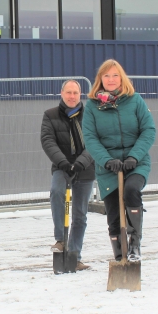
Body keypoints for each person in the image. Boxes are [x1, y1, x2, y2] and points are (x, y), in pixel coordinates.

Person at [82, 59, 156, 262]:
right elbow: (90, 138)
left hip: (135, 162)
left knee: (132, 191)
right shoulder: (92, 107)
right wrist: (107, 160)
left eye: (115, 75)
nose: (111, 79)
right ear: (100, 80)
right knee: (113, 213)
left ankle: (134, 244)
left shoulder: (135, 100)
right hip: (108, 167)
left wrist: (134, 156)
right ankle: (119, 253)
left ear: (122, 78)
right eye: (107, 76)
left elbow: (148, 130)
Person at [40, 79, 95, 271]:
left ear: (80, 95)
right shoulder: (50, 115)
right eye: (69, 92)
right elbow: (48, 141)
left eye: (76, 93)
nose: (72, 96)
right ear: (62, 93)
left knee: (80, 215)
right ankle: (61, 239)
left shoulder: (90, 115)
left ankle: (75, 256)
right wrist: (63, 162)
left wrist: (81, 162)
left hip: (85, 168)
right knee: (56, 192)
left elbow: (95, 141)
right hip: (61, 167)